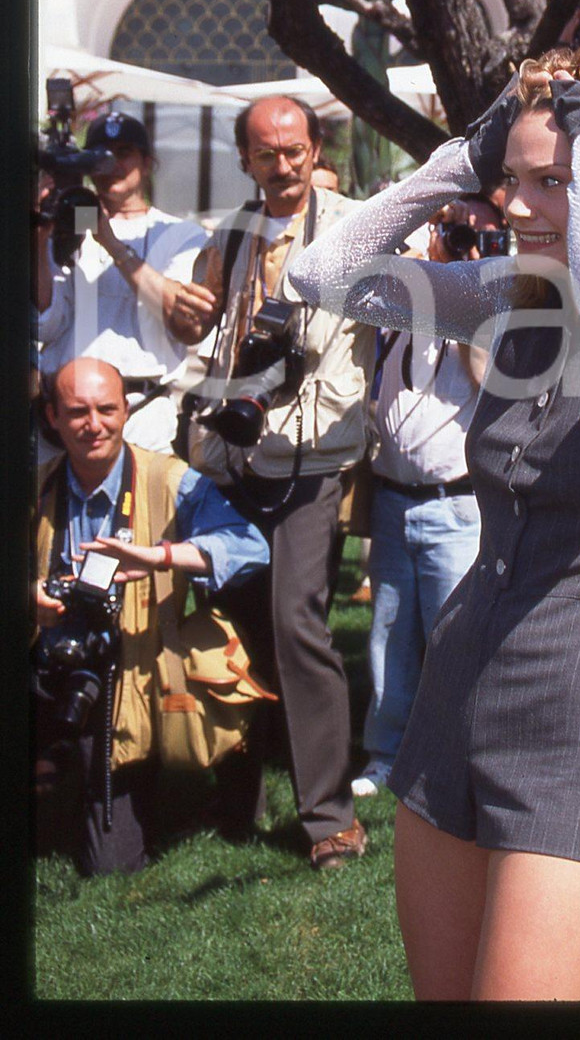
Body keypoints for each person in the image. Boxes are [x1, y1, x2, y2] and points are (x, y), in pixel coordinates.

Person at [290, 41, 580, 1000]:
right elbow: (324, 273)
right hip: (459, 669)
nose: (513, 205)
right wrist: (460, 159)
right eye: (511, 180)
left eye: (549, 182)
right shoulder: (515, 298)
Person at [168, 95, 376, 870]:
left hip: (313, 454)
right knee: (238, 627)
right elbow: (208, 331)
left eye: (294, 151)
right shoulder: (232, 234)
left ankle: (329, 819)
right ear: (245, 159)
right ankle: (239, 793)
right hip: (237, 455)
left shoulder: (358, 225)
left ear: (315, 147)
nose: (282, 165)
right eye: (266, 154)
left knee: (298, 624)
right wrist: (191, 315)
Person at [32, 358, 268, 877]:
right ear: (52, 417)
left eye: (106, 410)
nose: (94, 425)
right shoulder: (37, 487)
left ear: (126, 410)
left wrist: (160, 557)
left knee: (108, 868)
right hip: (49, 667)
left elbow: (250, 548)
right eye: (76, 412)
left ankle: (109, 774)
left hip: (128, 677)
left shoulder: (169, 479)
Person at [352, 197, 504, 799]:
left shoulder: (494, 300)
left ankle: (454, 757)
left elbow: (488, 379)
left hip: (456, 504)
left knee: (455, 638)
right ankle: (385, 754)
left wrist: (467, 291)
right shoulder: (399, 298)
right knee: (387, 634)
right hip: (392, 498)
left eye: (468, 232)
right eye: (450, 227)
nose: (457, 239)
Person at [33, 111, 208, 454]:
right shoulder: (69, 229)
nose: (112, 165)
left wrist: (110, 243)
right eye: (101, 156)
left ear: (147, 161)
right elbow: (45, 325)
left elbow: (182, 318)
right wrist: (40, 236)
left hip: (141, 412)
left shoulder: (179, 233)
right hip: (67, 414)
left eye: (124, 153)